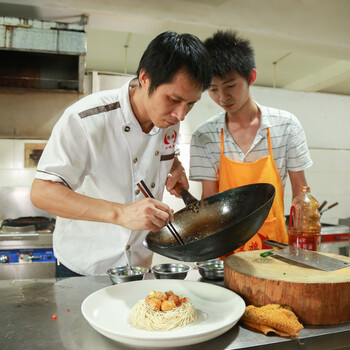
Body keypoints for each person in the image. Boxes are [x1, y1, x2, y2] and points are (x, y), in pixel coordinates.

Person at [30, 31, 212, 276]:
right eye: (174, 99)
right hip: (85, 267)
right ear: (145, 78)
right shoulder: (86, 119)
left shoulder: (169, 119)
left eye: (191, 104)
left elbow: (161, 150)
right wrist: (121, 213)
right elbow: (42, 192)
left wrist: (174, 165)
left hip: (138, 266)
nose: (181, 115)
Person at [190, 30, 312, 253]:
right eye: (213, 89)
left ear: (251, 77)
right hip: (226, 250)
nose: (222, 97)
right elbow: (209, 201)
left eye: (230, 86)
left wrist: (303, 243)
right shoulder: (203, 136)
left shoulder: (286, 126)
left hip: (275, 247)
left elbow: (300, 193)